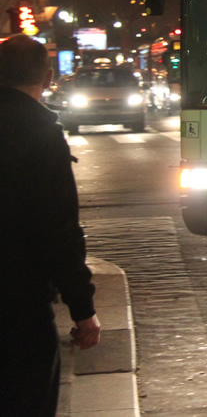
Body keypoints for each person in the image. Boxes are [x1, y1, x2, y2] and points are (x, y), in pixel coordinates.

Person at [0, 34, 101, 415]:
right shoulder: (41, 133)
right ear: (47, 76)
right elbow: (58, 228)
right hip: (19, 299)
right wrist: (82, 307)